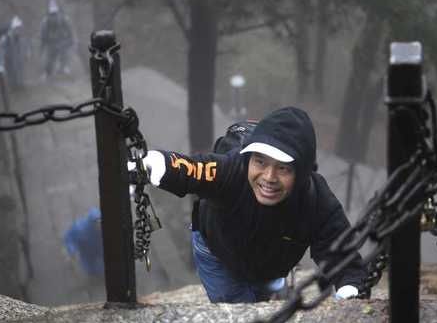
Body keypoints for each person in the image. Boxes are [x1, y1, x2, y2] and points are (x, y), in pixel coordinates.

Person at [142, 106, 365, 303]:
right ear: (249, 159)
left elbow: (341, 255)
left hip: (269, 261)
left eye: (283, 168)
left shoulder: (318, 201)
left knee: (263, 291)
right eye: (260, 162)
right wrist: (156, 163)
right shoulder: (233, 169)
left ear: (303, 173)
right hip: (218, 252)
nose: (269, 177)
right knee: (237, 309)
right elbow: (192, 169)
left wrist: (349, 288)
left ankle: (271, 289)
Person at [63, 207, 104, 277]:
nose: (99, 225)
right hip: (87, 252)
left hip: (100, 248)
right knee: (92, 269)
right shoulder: (80, 229)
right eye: (97, 222)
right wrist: (72, 250)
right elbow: (69, 239)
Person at [39, 0, 74, 80]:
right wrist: (43, 44)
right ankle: (47, 73)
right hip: (51, 42)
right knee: (50, 58)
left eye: (55, 13)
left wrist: (70, 39)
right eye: (52, 13)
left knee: (64, 54)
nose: (53, 15)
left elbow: (69, 29)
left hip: (61, 41)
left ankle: (64, 68)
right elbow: (43, 33)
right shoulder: (46, 20)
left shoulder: (63, 18)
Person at [0, 15, 26, 88]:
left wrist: (25, 55)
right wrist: (0, 66)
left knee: (18, 75)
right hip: (9, 62)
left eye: (20, 28)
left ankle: (19, 86)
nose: (19, 30)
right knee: (11, 77)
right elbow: (0, 53)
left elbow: (21, 49)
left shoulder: (19, 38)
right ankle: (13, 87)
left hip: (17, 62)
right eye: (17, 28)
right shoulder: (5, 38)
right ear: (13, 28)